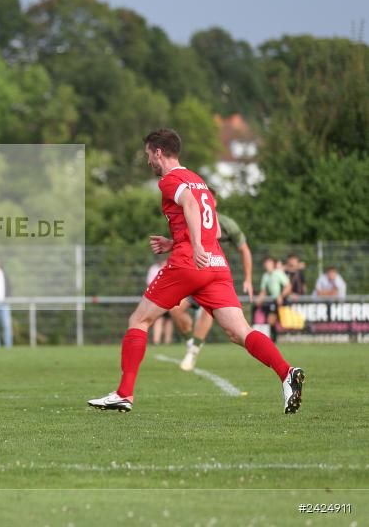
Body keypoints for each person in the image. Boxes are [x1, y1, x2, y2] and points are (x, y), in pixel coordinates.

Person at [87, 129, 304, 414]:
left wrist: (194, 246)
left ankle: (124, 394)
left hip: (190, 262)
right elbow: (209, 220)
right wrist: (177, 241)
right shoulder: (198, 180)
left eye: (148, 155)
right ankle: (286, 373)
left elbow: (189, 204)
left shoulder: (169, 180)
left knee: (139, 320)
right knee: (240, 331)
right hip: (216, 264)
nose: (148, 161)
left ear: (159, 153)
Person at [171, 213, 253, 370]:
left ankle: (193, 351)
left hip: (216, 276)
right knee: (175, 308)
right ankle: (191, 343)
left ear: (214, 200)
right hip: (194, 274)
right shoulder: (190, 217)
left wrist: (248, 279)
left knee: (210, 313)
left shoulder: (228, 224)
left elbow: (245, 250)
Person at [255, 256, 292, 331]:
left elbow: (288, 286)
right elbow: (263, 291)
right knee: (270, 320)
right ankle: (274, 337)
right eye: (266, 264)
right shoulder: (265, 276)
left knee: (279, 321)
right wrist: (259, 300)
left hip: (283, 300)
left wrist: (281, 296)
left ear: (273, 264)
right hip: (274, 301)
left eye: (269, 263)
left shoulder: (278, 273)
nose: (267, 265)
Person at [145, 256, 172, 345]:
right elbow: (150, 283)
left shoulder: (171, 268)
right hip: (158, 297)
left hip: (170, 297)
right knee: (158, 319)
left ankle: (167, 341)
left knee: (169, 320)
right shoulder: (153, 269)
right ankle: (156, 341)